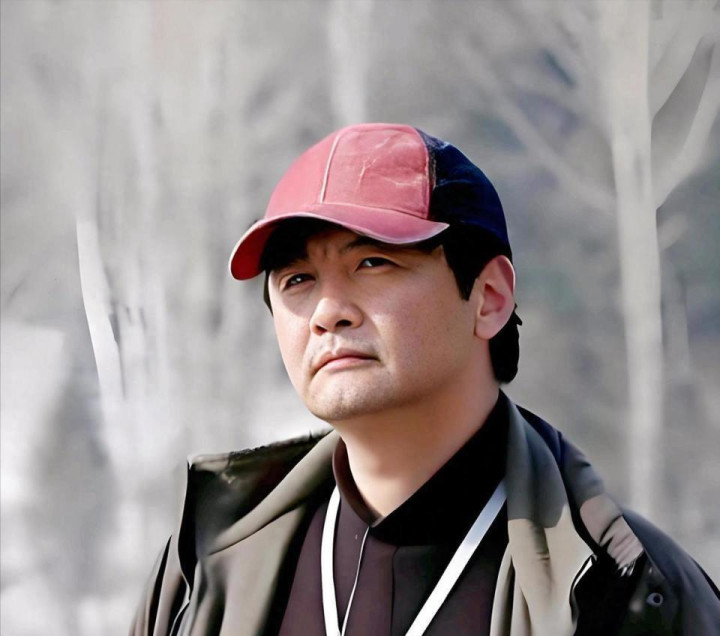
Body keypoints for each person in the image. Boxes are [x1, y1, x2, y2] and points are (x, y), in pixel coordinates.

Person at [131, 123, 719, 636]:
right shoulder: (206, 570)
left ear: (489, 298)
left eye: (372, 262)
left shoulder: (627, 592)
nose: (327, 312)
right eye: (297, 280)